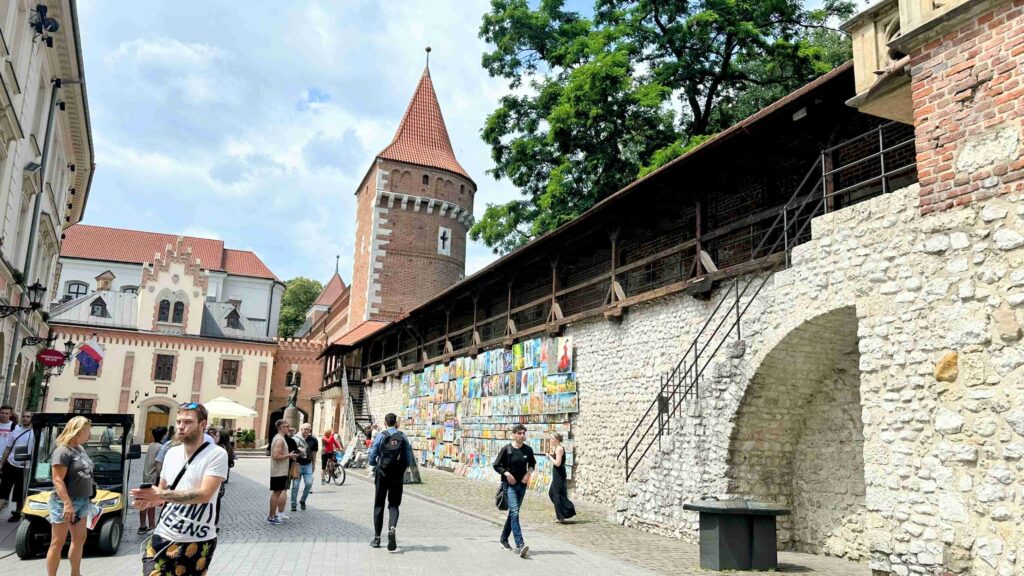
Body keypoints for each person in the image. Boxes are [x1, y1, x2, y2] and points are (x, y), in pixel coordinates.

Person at [131, 402, 228, 576]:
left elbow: (205, 494)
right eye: (178, 422)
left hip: (197, 541)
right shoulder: (171, 453)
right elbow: (162, 495)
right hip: (163, 535)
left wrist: (161, 494)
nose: (181, 427)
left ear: (202, 424)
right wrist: (149, 500)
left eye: (188, 422)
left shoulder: (216, 454)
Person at [46, 416, 96, 576]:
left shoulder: (80, 449)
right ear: (79, 430)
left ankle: (76, 573)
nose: (90, 433)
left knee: (79, 538)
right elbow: (57, 480)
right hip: (65, 501)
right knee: (58, 541)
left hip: (82, 500)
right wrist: (67, 504)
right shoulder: (62, 451)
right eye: (88, 430)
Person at [367, 413, 413, 551]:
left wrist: (374, 465)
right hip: (396, 474)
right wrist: (403, 469)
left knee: (379, 504)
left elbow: (373, 453)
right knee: (394, 504)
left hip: (382, 473)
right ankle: (392, 528)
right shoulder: (403, 436)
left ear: (385, 423)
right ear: (396, 423)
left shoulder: (381, 435)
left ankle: (377, 538)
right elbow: (408, 456)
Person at [494, 423, 536, 558]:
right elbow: (496, 465)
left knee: (513, 513)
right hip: (509, 486)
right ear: (514, 434)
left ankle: (503, 539)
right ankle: (520, 544)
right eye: (519, 433)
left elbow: (532, 464)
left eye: (524, 433)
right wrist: (506, 473)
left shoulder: (528, 450)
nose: (522, 436)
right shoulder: (507, 449)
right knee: (514, 512)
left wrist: (528, 474)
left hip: (522, 486)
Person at [0, 411, 34, 522]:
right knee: (3, 490)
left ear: (32, 419)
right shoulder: (15, 431)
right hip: (11, 464)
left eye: (28, 417)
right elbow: (8, 448)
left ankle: (17, 513)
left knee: (20, 492)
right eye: (23, 416)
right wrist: (1, 464)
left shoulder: (36, 433)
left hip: (26, 467)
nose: (25, 418)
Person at [138, 425, 168, 534]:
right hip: (153, 477)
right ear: (163, 436)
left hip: (145, 476)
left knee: (143, 501)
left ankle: (142, 525)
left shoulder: (151, 445)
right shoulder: (161, 447)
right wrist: (160, 476)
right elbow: (158, 464)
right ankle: (151, 525)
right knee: (151, 502)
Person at [267, 420, 297, 525]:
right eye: (286, 426)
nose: (288, 428)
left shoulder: (280, 438)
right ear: (280, 427)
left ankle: (272, 515)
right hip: (279, 471)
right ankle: (271, 516)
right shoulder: (279, 440)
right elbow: (276, 456)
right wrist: (289, 455)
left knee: (277, 492)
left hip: (279, 470)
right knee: (276, 493)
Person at [545, 433, 576, 523]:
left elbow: (558, 463)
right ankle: (562, 513)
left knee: (556, 494)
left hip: (559, 473)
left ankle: (563, 514)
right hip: (557, 472)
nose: (551, 440)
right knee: (552, 493)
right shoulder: (558, 448)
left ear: (557, 439)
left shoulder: (559, 449)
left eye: (552, 438)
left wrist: (549, 457)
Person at [291, 423, 317, 511]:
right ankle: (293, 504)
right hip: (297, 465)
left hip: (308, 465)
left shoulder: (313, 440)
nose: (306, 431)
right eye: (305, 429)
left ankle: (302, 500)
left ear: (310, 430)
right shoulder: (295, 439)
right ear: (301, 429)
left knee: (309, 483)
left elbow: (314, 453)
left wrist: (313, 464)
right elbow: (291, 451)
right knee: (295, 486)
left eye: (308, 429)